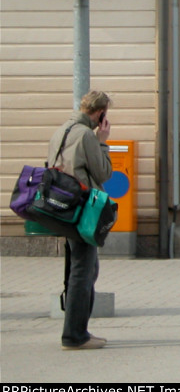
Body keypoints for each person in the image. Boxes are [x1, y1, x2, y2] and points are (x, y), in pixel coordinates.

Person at [47, 90, 113, 350]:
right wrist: (103, 141)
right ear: (100, 113)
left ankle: (78, 330)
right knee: (83, 270)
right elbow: (104, 172)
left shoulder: (62, 129)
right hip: (82, 209)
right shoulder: (86, 135)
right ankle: (75, 335)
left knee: (83, 267)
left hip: (61, 207)